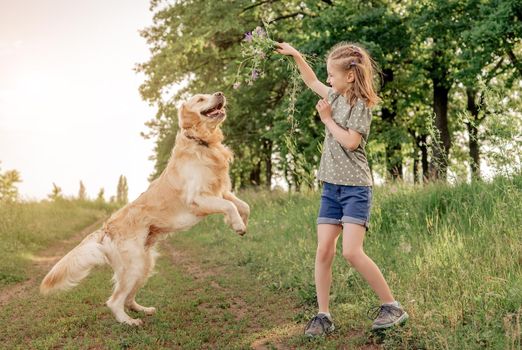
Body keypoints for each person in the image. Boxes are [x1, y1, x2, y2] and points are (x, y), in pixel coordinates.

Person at [275, 41, 409, 336]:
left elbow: (351, 142)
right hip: (331, 188)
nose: (328, 80)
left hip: (355, 188)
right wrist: (296, 55)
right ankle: (323, 315)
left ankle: (392, 306)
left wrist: (326, 119)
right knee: (324, 250)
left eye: (332, 75)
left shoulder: (360, 106)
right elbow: (310, 81)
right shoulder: (333, 96)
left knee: (351, 251)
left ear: (350, 75)